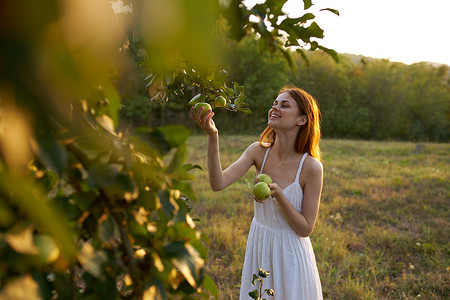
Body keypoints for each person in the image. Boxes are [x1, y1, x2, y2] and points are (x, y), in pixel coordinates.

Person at [189, 85, 323, 299]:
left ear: (302, 120)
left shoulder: (311, 167)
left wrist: (279, 195)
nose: (275, 108)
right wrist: (213, 136)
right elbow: (218, 183)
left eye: (284, 105)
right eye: (274, 104)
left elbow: (305, 228)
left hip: (290, 254)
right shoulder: (257, 151)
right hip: (260, 245)